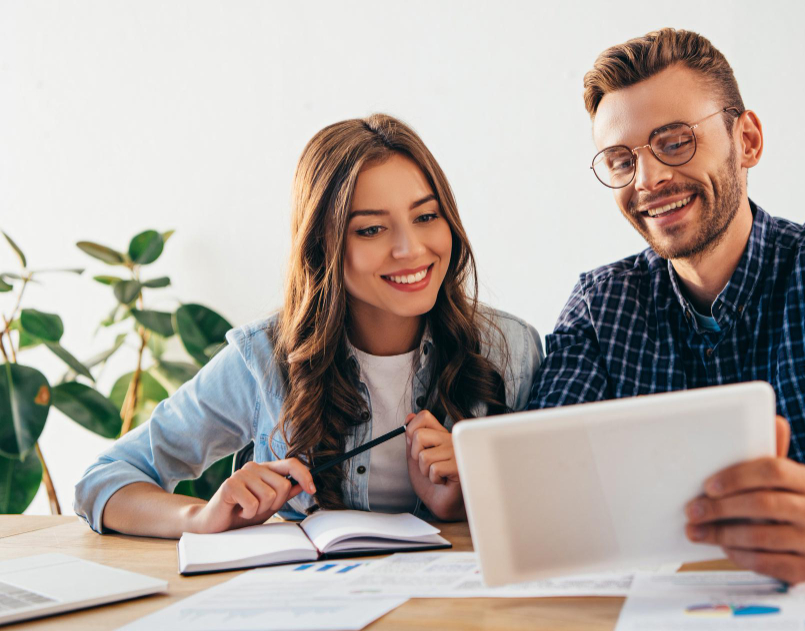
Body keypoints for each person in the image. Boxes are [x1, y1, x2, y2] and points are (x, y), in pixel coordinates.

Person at [527, 28, 805, 583]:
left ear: (748, 141)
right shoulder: (600, 307)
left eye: (674, 142)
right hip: (651, 608)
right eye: (622, 160)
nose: (649, 180)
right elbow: (539, 480)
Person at [75, 114, 542, 537]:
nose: (410, 249)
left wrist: (464, 501)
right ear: (323, 246)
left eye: (426, 217)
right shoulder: (265, 359)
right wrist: (200, 516)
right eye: (371, 229)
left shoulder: (512, 351)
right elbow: (104, 479)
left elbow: (559, 507)